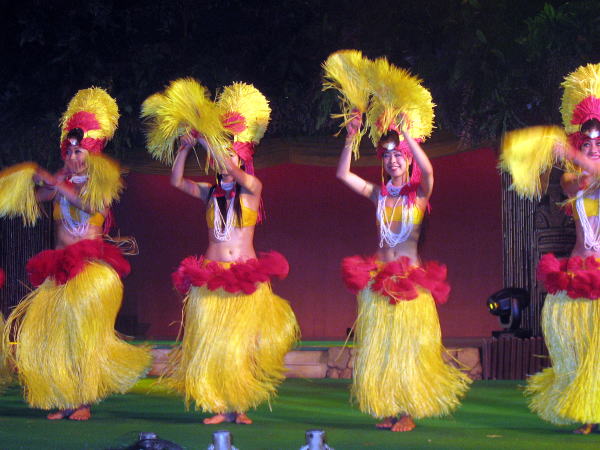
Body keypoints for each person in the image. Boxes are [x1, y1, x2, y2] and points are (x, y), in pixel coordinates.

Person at [1, 88, 150, 420]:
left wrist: (58, 185)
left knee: (83, 339)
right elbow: (33, 197)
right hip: (59, 270)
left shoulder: (102, 184)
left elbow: (90, 205)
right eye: (69, 151)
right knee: (57, 338)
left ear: (91, 155)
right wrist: (33, 179)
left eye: (79, 150)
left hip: (90, 272)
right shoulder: (58, 186)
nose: (73, 156)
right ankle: (66, 398)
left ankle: (83, 401)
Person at [155, 81, 299, 425]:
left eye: (230, 155)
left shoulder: (251, 189)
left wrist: (210, 140)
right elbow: (176, 182)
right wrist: (186, 148)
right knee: (214, 343)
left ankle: (240, 404)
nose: (223, 162)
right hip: (211, 273)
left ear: (241, 158)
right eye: (219, 157)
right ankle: (219, 405)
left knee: (241, 345)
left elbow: (235, 172)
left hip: (244, 274)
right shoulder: (209, 194)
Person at [337, 114, 470, 432]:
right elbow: (342, 174)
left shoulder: (421, 195)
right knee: (382, 348)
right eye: (387, 156)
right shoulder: (378, 194)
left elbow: (428, 171)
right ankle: (389, 407)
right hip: (380, 281)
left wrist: (407, 134)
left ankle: (408, 411)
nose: (393, 160)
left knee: (409, 348)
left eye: (398, 155)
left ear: (407, 157)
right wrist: (351, 137)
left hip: (410, 283)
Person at [526, 63, 600, 434]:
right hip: (576, 270)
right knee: (573, 344)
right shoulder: (574, 180)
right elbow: (575, 182)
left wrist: (570, 149)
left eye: (598, 144)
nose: (591, 150)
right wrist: (570, 154)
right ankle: (585, 411)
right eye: (585, 144)